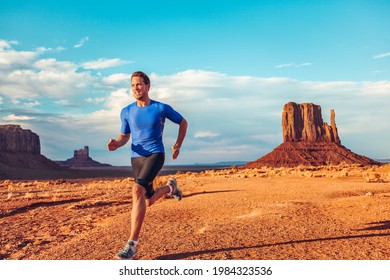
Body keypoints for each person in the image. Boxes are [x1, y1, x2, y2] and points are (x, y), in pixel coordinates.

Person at [107, 71, 188, 260]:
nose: (136, 88)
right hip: (136, 157)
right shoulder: (126, 111)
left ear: (148, 86)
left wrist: (178, 145)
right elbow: (124, 136)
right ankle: (171, 187)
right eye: (133, 85)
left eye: (140, 84)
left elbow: (183, 122)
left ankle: (132, 246)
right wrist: (116, 144)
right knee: (147, 200)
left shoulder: (161, 108)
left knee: (136, 191)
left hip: (155, 154)